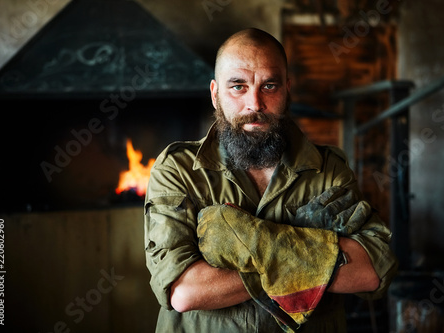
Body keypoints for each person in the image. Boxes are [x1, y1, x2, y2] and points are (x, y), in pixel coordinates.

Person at [144, 27, 398, 332]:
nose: (255, 104)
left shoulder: (328, 169)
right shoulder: (178, 170)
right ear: (215, 94)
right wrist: (311, 252)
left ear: (288, 90)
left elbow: (370, 270)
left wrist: (246, 251)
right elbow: (185, 291)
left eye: (270, 85)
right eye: (238, 87)